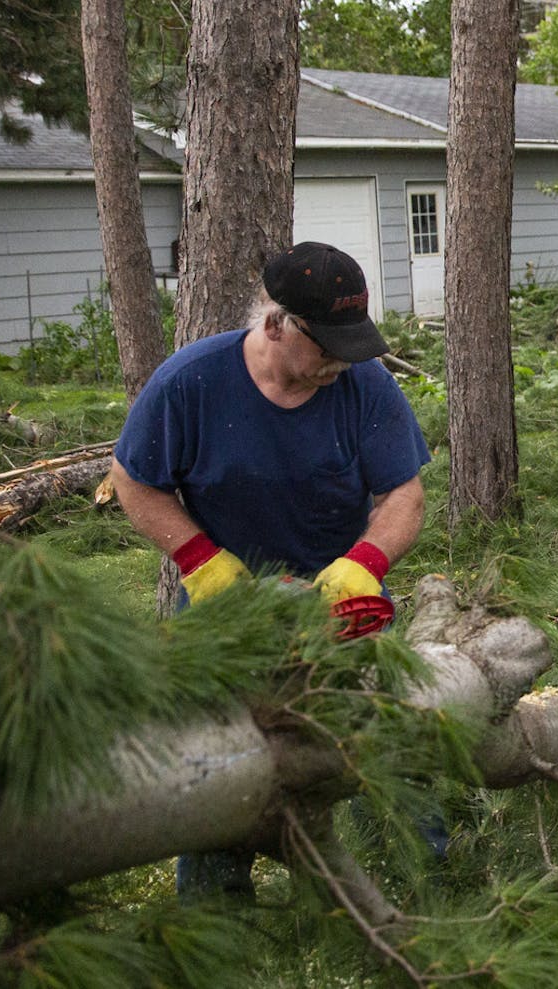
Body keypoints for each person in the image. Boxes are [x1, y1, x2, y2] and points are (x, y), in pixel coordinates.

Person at [110, 241, 433, 898]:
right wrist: (201, 563)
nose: (341, 361)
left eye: (351, 344)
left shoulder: (363, 384)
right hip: (226, 602)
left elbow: (404, 494)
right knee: (217, 764)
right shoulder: (190, 383)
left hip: (340, 597)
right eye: (329, 346)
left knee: (390, 743)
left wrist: (364, 564)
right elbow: (133, 480)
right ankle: (214, 913)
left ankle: (417, 885)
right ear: (277, 323)